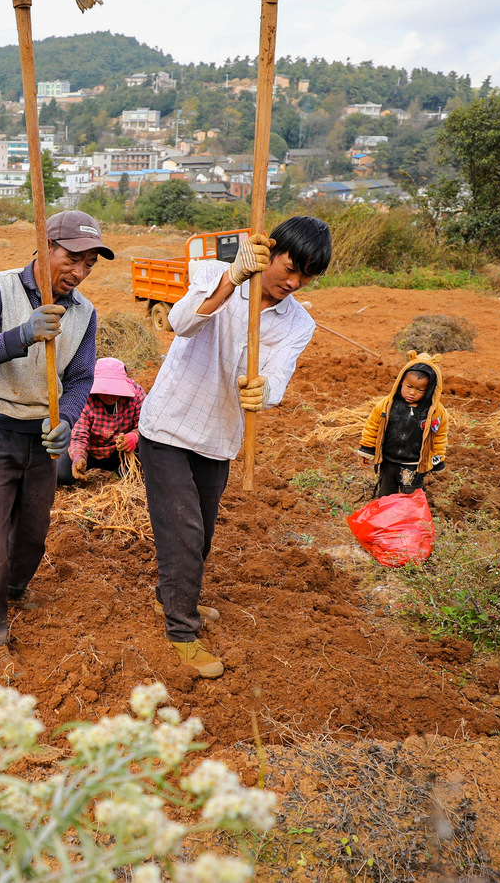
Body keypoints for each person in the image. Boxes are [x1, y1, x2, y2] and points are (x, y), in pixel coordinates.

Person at [138, 216, 330, 679]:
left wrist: (264, 391)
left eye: (306, 277)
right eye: (290, 268)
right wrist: (232, 278)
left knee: (200, 535)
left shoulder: (298, 322)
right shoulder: (211, 272)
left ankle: (170, 594)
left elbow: (278, 376)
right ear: (271, 251)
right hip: (168, 426)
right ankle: (182, 631)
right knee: (183, 532)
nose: (294, 283)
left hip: (220, 436)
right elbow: (180, 323)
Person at [0, 209, 110, 680]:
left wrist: (67, 419)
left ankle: (14, 591)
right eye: (72, 259)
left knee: (32, 536)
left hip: (42, 438)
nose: (79, 272)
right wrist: (23, 334)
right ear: (45, 248)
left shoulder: (84, 313)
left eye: (89, 265)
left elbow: (80, 378)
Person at [356, 353, 449, 498]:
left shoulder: (435, 412)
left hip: (413, 464)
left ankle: (410, 511)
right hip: (388, 460)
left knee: (411, 496)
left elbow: (439, 436)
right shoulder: (387, 405)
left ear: (430, 390)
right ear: (400, 382)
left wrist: (437, 458)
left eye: (420, 390)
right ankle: (386, 511)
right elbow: (372, 426)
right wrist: (367, 449)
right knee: (386, 495)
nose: (412, 393)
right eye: (409, 386)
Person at [59, 357, 146, 485]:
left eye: (115, 391)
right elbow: (78, 436)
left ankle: (120, 473)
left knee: (146, 448)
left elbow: (146, 427)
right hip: (91, 451)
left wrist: (134, 436)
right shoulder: (85, 397)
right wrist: (79, 457)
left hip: (120, 453)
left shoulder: (136, 394)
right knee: (62, 475)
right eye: (105, 390)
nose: (109, 395)